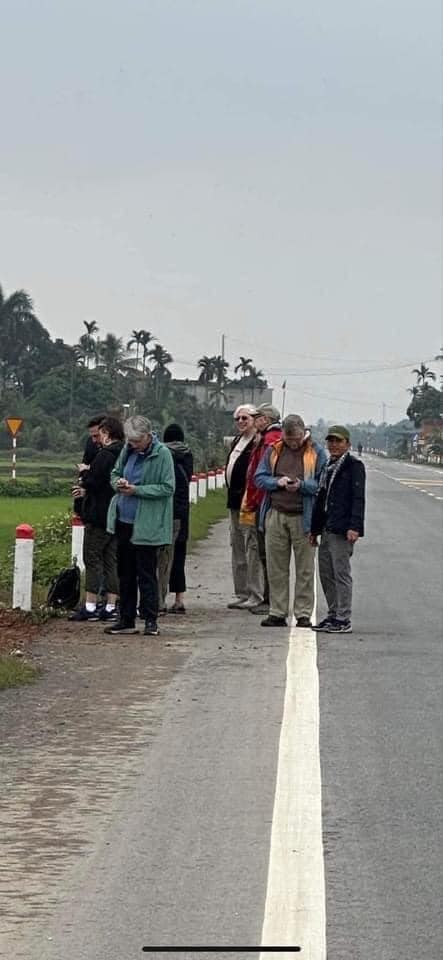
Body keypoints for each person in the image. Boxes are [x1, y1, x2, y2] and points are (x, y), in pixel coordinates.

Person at [105, 415, 175, 637]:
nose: (133, 444)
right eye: (130, 440)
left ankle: (150, 619)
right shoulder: (127, 451)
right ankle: (126, 619)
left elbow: (167, 487)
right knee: (124, 572)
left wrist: (138, 490)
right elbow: (115, 473)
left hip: (147, 523)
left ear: (148, 436)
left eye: (136, 441)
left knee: (146, 573)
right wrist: (119, 483)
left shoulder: (162, 454)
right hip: (124, 519)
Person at [255, 414, 327, 628]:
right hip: (276, 513)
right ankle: (277, 611)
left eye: (296, 438)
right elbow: (259, 477)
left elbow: (322, 483)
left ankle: (303, 613)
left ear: (303, 433)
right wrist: (278, 482)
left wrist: (303, 486)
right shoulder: (274, 450)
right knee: (276, 567)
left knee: (305, 568)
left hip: (304, 517)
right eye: (289, 439)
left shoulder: (316, 452)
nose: (293, 443)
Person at [309, 425, 366, 634]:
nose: (334, 445)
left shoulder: (354, 466)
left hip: (343, 529)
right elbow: (320, 499)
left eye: (338, 441)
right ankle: (333, 614)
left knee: (341, 573)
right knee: (326, 572)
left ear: (347, 444)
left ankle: (344, 618)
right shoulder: (328, 466)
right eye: (331, 441)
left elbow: (358, 499)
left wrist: (355, 527)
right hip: (326, 527)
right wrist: (314, 529)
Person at [70, 416, 124, 622]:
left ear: (107, 433)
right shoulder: (125, 454)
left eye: (100, 434)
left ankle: (91, 604)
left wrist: (85, 472)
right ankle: (111, 605)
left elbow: (93, 481)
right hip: (116, 514)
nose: (97, 439)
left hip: (98, 514)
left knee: (92, 559)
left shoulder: (104, 456)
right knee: (111, 560)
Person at [240, 403, 282, 614]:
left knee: (265, 553)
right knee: (263, 552)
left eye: (258, 417)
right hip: (261, 500)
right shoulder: (265, 438)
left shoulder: (270, 440)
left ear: (266, 419)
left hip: (262, 502)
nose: (255, 420)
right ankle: (268, 598)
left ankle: (270, 599)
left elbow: (262, 474)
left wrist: (254, 501)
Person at [225, 404, 261, 609]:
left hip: (249, 503)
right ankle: (242, 592)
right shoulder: (238, 440)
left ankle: (255, 593)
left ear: (254, 419)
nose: (240, 422)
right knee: (237, 547)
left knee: (251, 548)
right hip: (234, 501)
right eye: (237, 419)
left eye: (245, 418)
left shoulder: (257, 442)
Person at [157, 423, 193, 614]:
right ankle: (179, 599)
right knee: (180, 555)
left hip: (168, 510)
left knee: (163, 557)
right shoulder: (187, 454)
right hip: (183, 509)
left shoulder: (163, 454)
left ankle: (159, 599)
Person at [73, 414, 105, 518]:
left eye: (96, 436)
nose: (94, 440)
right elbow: (84, 464)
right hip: (88, 495)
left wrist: (90, 469)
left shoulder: (116, 450)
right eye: (92, 436)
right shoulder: (91, 443)